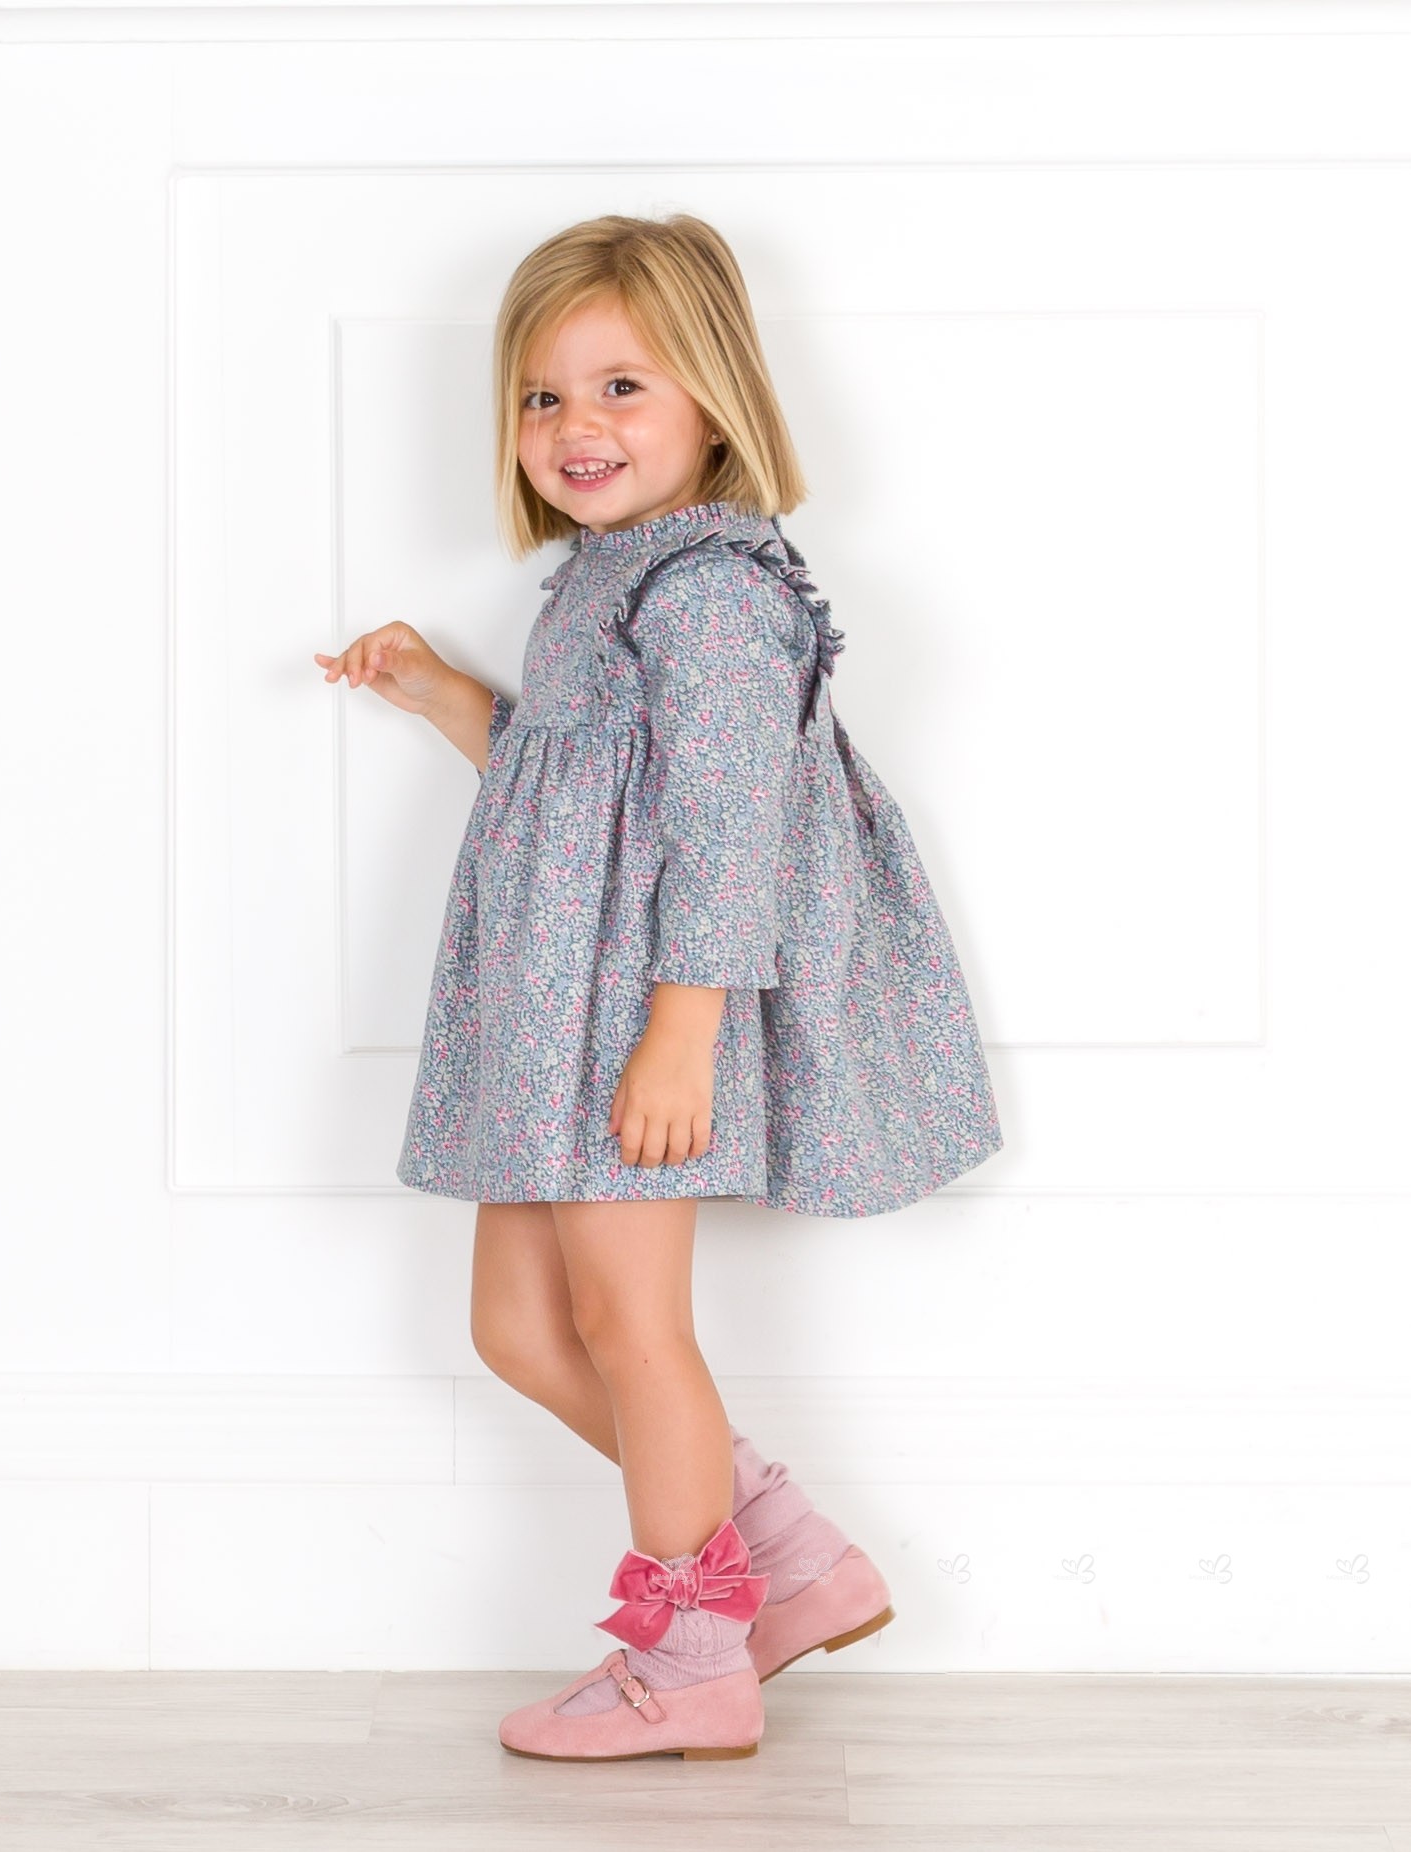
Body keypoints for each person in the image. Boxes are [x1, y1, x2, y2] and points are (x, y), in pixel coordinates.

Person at [313, 213, 1004, 1762]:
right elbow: (572, 792)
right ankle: (788, 1559)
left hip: (634, 1018)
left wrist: (682, 1029)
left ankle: (694, 1658)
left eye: (621, 386)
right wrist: (443, 694)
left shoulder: (710, 594)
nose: (577, 425)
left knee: (632, 1327)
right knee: (519, 1329)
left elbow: (731, 821)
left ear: (715, 397)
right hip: (551, 1021)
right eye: (542, 396)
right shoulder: (602, 579)